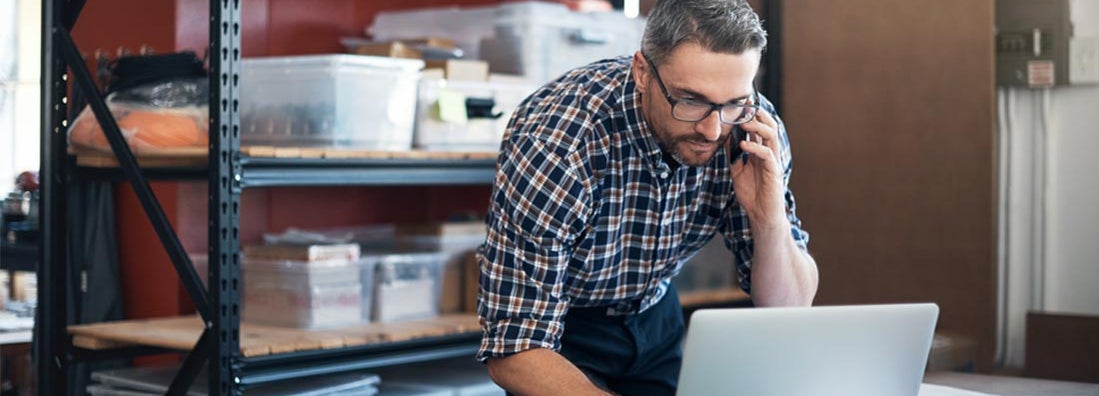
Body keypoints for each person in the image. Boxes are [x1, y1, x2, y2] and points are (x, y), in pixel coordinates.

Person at [476, 0, 819, 394]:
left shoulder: (752, 130)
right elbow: (515, 347)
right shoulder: (557, 142)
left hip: (654, 311)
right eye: (690, 100)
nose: (713, 130)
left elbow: (788, 310)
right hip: (562, 329)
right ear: (642, 72)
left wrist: (769, 220)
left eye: (734, 102)